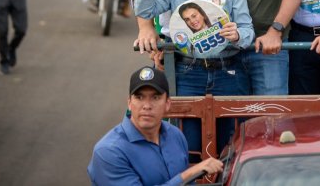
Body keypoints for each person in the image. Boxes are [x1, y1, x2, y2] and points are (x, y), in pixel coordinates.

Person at [135, 0, 254, 156]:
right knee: (188, 145)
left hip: (228, 71)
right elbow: (144, 8)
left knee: (228, 147)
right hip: (187, 72)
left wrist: (237, 34)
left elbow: (248, 30)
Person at [87, 66, 224, 185]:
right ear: (129, 103)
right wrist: (187, 175)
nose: (147, 106)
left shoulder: (175, 135)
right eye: (139, 97)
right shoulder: (108, 152)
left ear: (167, 104)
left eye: (155, 97)